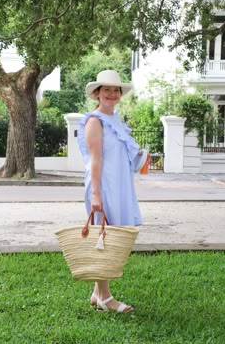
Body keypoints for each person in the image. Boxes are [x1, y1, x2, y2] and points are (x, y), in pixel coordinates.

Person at [78, 69, 142, 313]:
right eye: (107, 90)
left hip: (119, 186)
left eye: (116, 90)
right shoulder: (94, 121)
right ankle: (106, 297)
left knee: (107, 238)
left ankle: (97, 293)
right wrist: (96, 194)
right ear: (97, 93)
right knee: (103, 238)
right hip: (103, 186)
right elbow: (95, 160)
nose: (112, 94)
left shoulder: (115, 120)